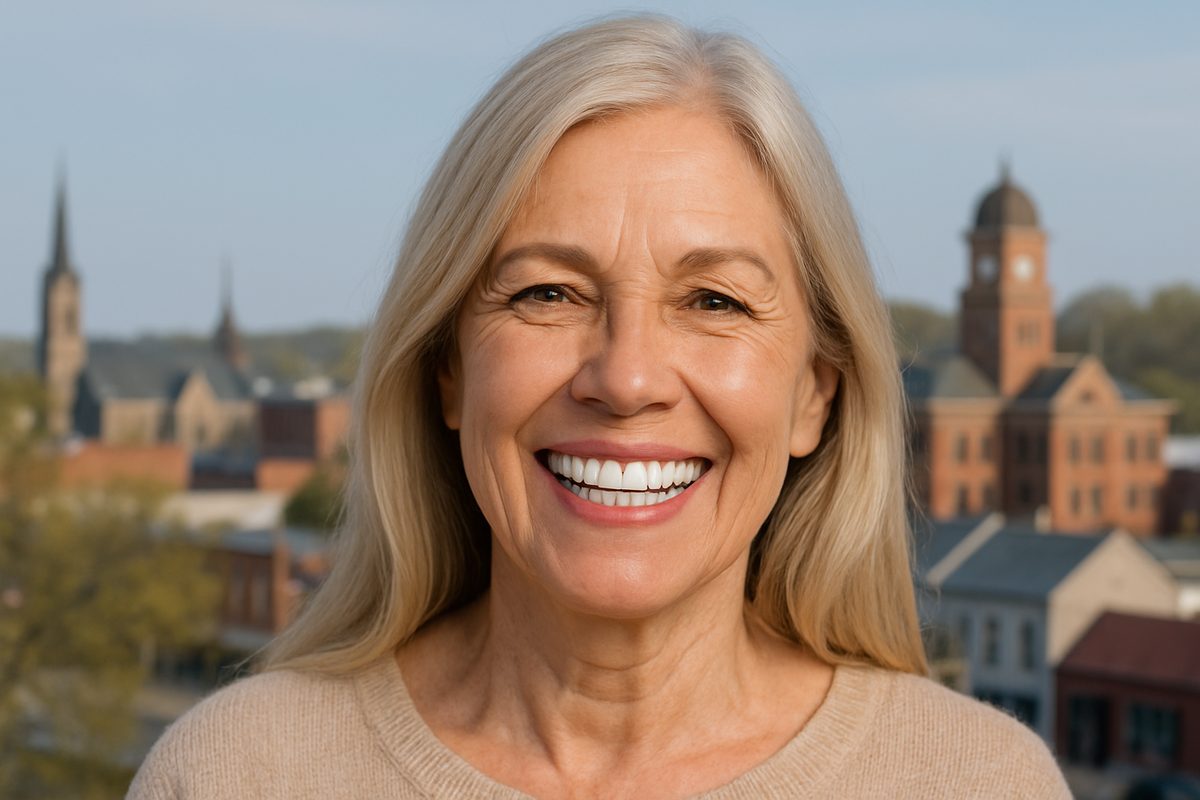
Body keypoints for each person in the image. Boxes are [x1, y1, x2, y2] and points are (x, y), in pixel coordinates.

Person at [129, 15, 1070, 799]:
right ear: (448, 371)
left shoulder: (979, 782)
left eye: (715, 302)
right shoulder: (237, 774)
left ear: (814, 396)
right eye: (546, 293)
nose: (625, 380)